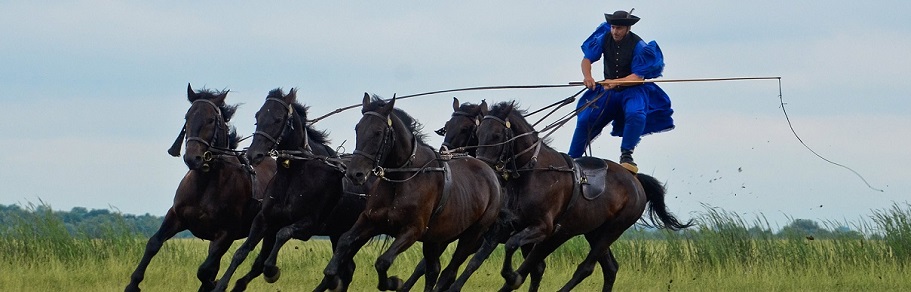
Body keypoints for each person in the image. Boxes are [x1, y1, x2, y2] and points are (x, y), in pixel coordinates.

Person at [567, 9, 675, 173]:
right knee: (586, 118)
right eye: (613, 27)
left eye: (619, 28)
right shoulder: (603, 38)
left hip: (632, 91)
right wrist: (587, 76)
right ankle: (571, 158)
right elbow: (587, 59)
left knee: (636, 113)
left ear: (627, 29)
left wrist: (615, 82)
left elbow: (638, 78)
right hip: (608, 92)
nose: (615, 31)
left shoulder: (639, 46)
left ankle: (627, 155)